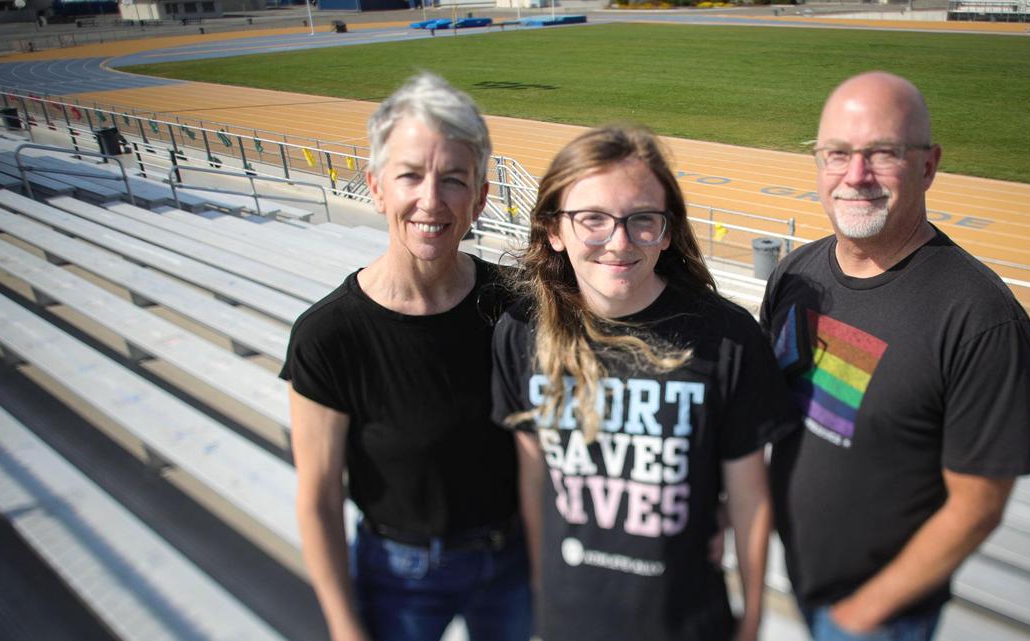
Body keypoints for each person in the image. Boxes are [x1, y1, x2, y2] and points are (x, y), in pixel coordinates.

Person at [760, 71, 1030, 641]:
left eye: (882, 153)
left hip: (879, 617)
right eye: (836, 153)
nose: (855, 176)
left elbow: (978, 505)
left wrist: (859, 616)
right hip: (802, 580)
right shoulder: (795, 274)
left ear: (930, 165)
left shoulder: (982, 319)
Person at [491, 125, 798, 641]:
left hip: (688, 624)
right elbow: (533, 480)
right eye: (592, 219)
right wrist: (543, 594)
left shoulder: (727, 338)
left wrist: (750, 622)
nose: (619, 242)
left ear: (668, 230)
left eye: (642, 221)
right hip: (567, 623)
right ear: (554, 230)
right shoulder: (521, 333)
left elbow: (749, 497)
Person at [280, 73, 530, 641]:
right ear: (375, 187)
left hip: (514, 560)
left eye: (453, 180)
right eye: (410, 176)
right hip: (401, 576)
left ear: (482, 196)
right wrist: (346, 629)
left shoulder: (518, 304)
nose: (431, 201)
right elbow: (317, 497)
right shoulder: (328, 334)